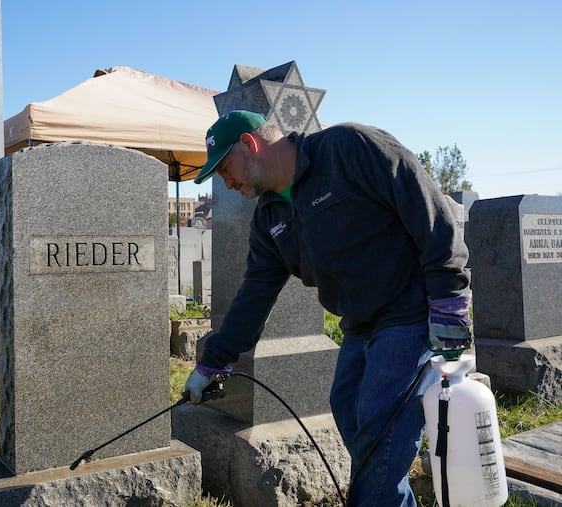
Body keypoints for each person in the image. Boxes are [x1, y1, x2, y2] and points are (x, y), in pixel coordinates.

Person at [184, 111, 472, 506]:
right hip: (358, 324)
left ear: (250, 144)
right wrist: (211, 362)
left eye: (225, 168)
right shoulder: (270, 216)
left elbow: (429, 213)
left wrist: (450, 301)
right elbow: (255, 295)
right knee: (348, 409)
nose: (226, 182)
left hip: (409, 312)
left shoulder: (348, 149)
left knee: (377, 437)